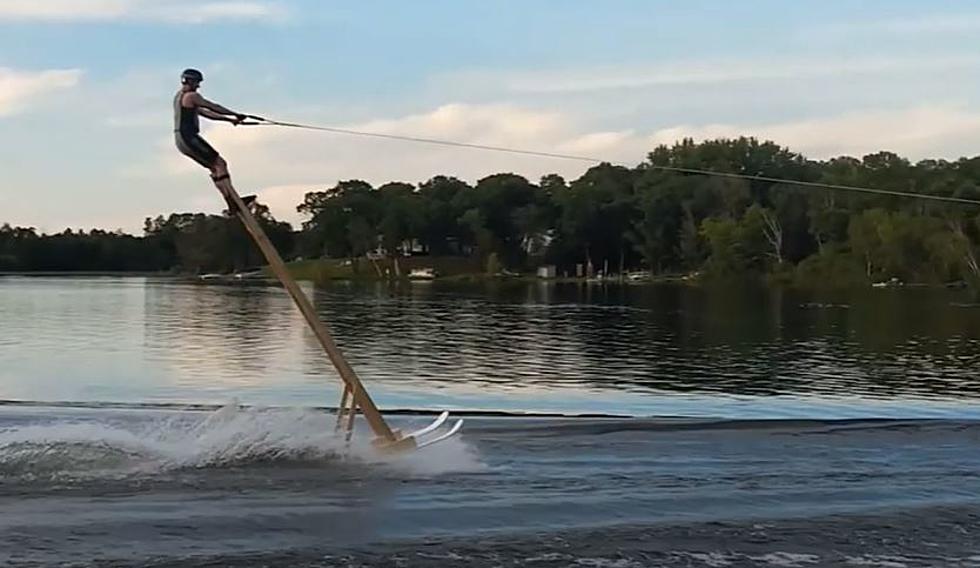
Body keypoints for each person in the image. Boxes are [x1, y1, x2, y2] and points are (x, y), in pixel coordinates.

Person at [173, 68, 256, 213]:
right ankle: (233, 201)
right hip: (189, 138)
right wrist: (236, 114)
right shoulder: (192, 96)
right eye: (197, 82)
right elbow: (213, 107)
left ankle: (231, 202)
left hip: (181, 140)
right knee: (220, 163)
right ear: (189, 81)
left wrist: (230, 120)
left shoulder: (179, 98)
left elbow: (207, 114)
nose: (198, 85)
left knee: (214, 167)